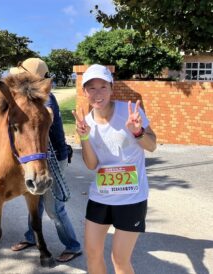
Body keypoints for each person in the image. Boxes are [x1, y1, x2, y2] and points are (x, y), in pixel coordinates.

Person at [72, 64, 157, 273]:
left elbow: (152, 145)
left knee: (119, 259)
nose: (98, 93)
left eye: (103, 86)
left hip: (131, 198)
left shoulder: (129, 113)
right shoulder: (87, 122)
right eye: (91, 88)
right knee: (92, 254)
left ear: (111, 88)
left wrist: (137, 132)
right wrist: (84, 136)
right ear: (84, 92)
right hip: (101, 196)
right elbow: (92, 165)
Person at [9, 58, 82, 263]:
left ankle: (73, 246)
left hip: (52, 159)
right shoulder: (32, 96)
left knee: (54, 207)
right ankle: (32, 236)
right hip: (41, 157)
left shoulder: (45, 99)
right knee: (36, 201)